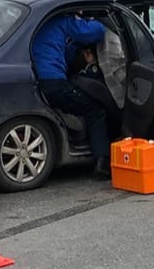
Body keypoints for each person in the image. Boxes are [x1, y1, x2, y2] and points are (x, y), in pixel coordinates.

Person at [32, 10, 119, 178]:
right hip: (54, 82)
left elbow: (66, 55)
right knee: (95, 111)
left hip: (40, 81)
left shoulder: (41, 22)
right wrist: (90, 18)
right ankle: (102, 161)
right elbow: (96, 31)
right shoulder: (63, 21)